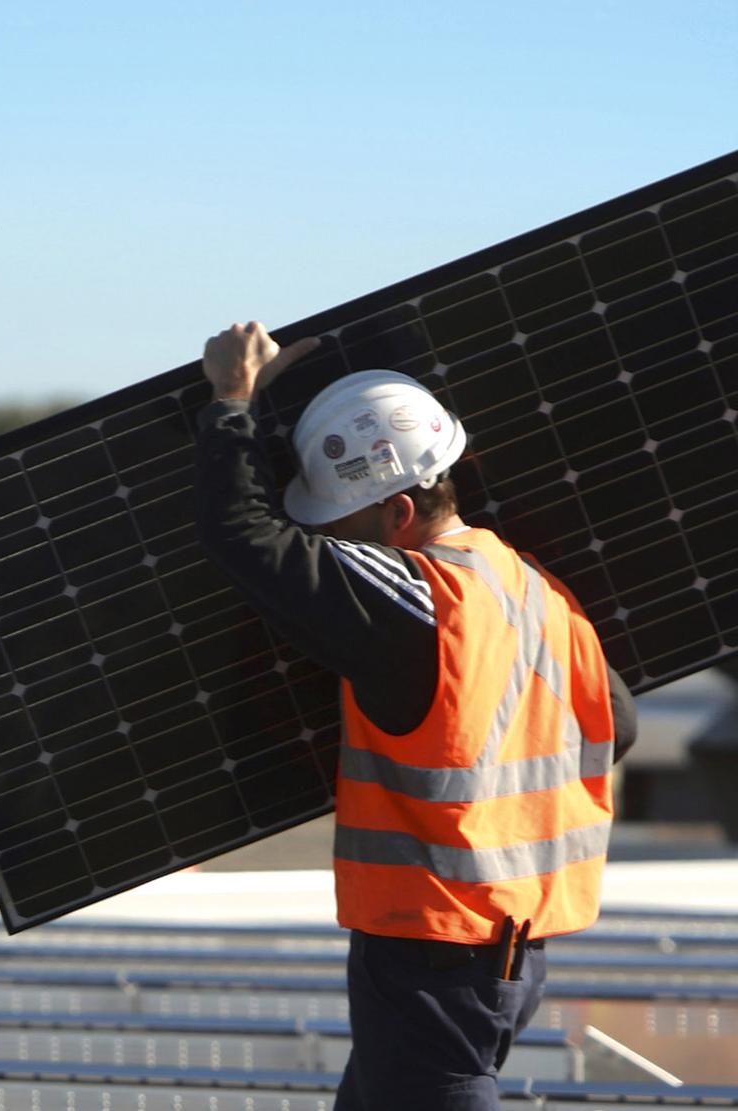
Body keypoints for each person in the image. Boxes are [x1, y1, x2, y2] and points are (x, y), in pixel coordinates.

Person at [194, 321, 637, 1111]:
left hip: (437, 944)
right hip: (506, 944)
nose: (325, 539)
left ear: (399, 513)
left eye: (338, 524)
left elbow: (243, 538)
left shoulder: (416, 597)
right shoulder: (535, 589)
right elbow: (618, 725)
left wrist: (233, 402)